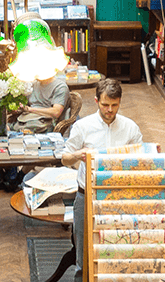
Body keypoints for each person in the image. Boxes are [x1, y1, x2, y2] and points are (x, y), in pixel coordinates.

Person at [60, 78, 143, 244]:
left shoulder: (130, 127)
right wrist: (78, 154)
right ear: (96, 100)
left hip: (119, 196)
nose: (110, 110)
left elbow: (140, 161)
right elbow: (65, 159)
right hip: (87, 194)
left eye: (115, 105)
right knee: (83, 246)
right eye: (105, 105)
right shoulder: (82, 126)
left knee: (116, 246)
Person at [0, 69, 69, 194]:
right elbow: (23, 103)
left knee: (20, 138)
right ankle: (3, 175)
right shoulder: (34, 83)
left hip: (43, 123)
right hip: (25, 120)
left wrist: (30, 109)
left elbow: (56, 112)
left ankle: (18, 177)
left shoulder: (60, 86)